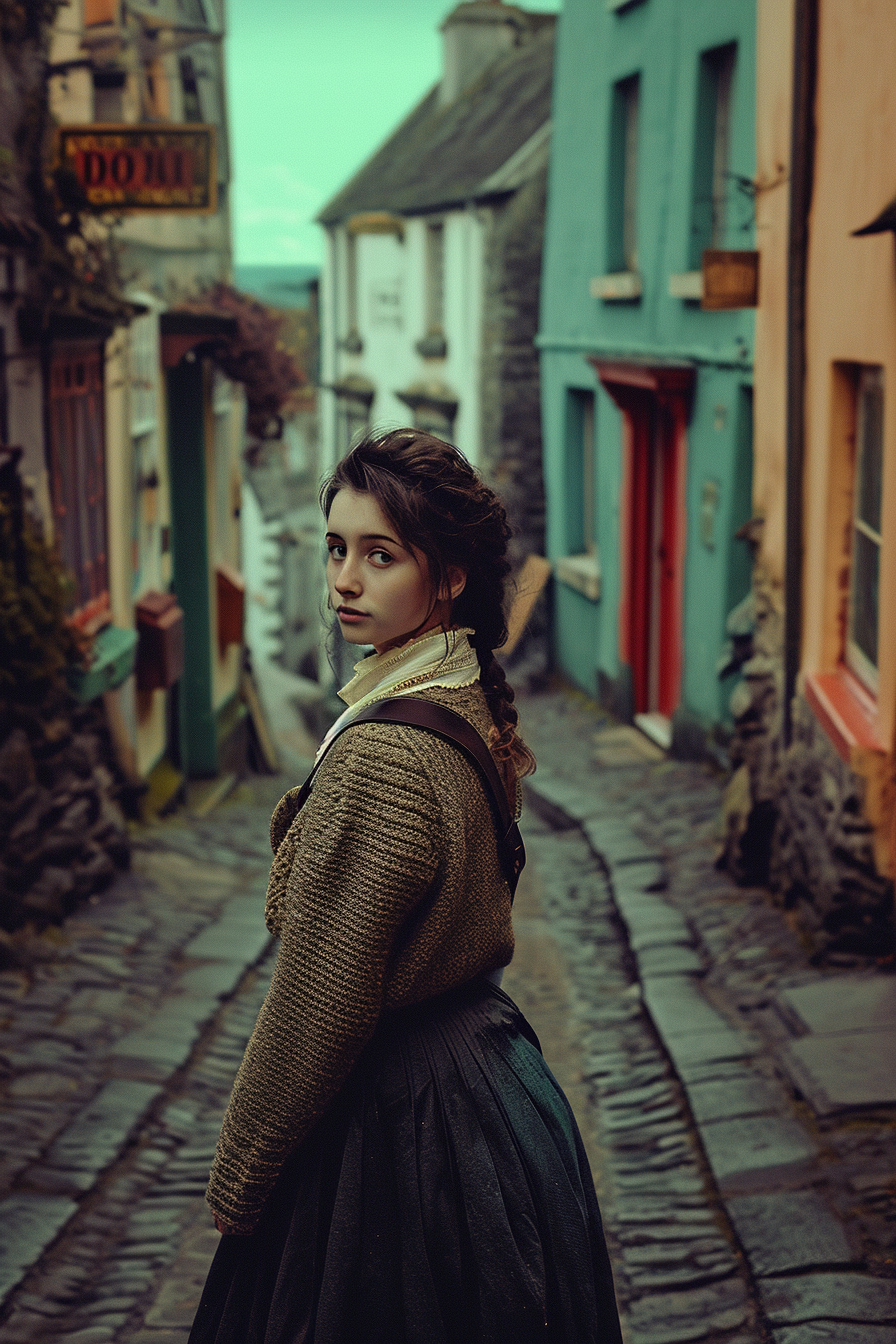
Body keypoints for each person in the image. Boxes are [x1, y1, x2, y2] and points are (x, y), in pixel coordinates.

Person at [189, 429, 623, 1344]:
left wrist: (241, 1181)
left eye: (380, 556)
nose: (344, 580)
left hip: (404, 1130)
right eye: (337, 549)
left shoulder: (383, 753)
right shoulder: (458, 694)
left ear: (450, 575)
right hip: (497, 1090)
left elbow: (315, 1005)